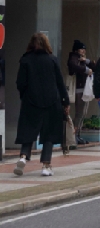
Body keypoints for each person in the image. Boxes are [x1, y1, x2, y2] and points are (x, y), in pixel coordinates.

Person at [14, 33, 70, 177]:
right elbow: (60, 82)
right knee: (49, 134)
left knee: (28, 130)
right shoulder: (52, 60)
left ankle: (23, 157)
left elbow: (20, 83)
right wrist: (65, 101)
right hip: (52, 101)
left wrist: (25, 96)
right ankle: (46, 165)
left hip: (31, 101)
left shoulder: (25, 60)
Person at [67, 40, 96, 144]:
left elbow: (95, 67)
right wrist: (86, 70)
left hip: (85, 89)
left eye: (84, 49)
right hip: (79, 90)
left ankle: (77, 134)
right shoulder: (74, 58)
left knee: (83, 113)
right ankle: (73, 135)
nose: (83, 51)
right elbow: (73, 66)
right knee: (80, 113)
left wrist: (87, 61)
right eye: (81, 49)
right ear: (76, 50)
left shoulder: (82, 59)